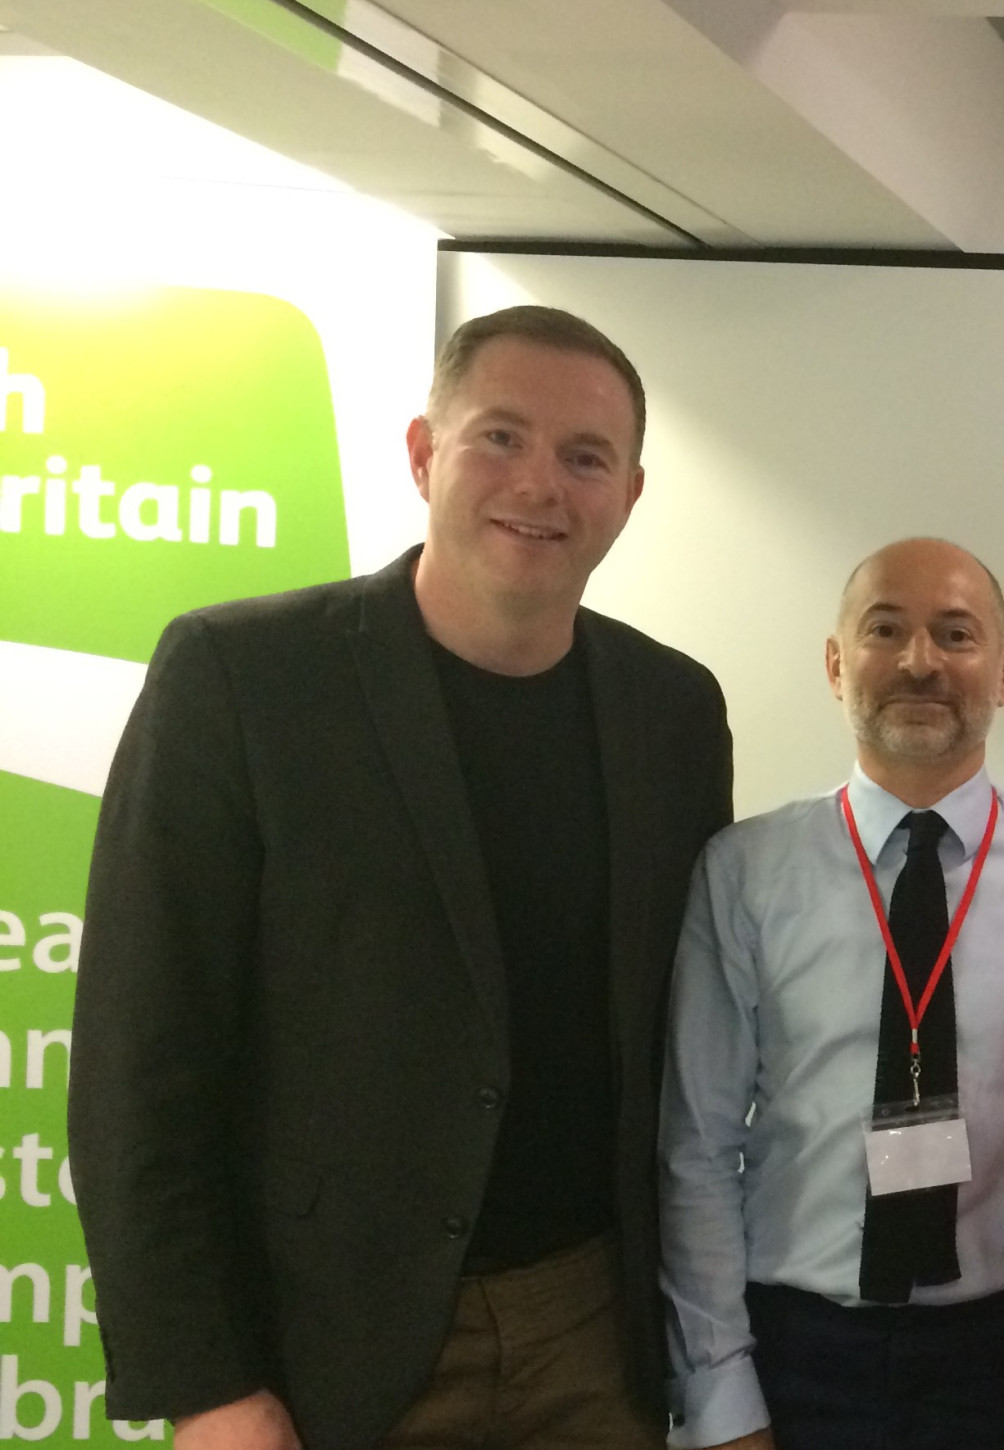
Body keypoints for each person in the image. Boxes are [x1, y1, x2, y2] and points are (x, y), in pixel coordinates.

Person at [70, 306, 733, 1450]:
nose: (540, 484)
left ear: (629, 495)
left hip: (595, 1332)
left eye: (586, 457)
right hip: (330, 1340)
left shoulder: (674, 712)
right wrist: (207, 1382)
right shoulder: (243, 680)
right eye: (500, 438)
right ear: (424, 452)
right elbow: (141, 1061)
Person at [659, 537, 1004, 1450]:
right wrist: (720, 1391)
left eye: (956, 635)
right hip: (793, 1347)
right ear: (837, 663)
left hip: (996, 1355)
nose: (920, 661)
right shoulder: (746, 871)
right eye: (887, 629)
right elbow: (697, 1142)